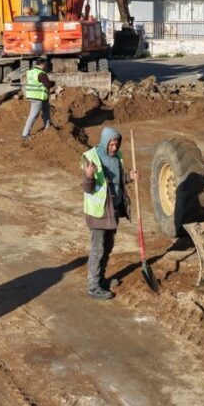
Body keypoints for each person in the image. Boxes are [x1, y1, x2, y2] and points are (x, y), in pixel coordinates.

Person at [80, 127, 139, 300]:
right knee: (98, 249)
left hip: (113, 210)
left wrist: (130, 177)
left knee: (108, 247)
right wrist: (88, 176)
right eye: (111, 144)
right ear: (105, 142)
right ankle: (93, 286)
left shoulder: (117, 157)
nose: (114, 148)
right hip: (99, 213)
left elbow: (117, 180)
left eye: (116, 144)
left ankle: (101, 279)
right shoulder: (91, 157)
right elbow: (87, 188)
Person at [21, 58, 54, 145]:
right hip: (38, 97)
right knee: (33, 115)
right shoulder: (41, 73)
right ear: (42, 64)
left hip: (35, 96)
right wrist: (52, 83)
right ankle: (25, 134)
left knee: (46, 111)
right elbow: (47, 84)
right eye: (45, 64)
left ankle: (47, 128)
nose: (46, 66)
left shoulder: (31, 72)